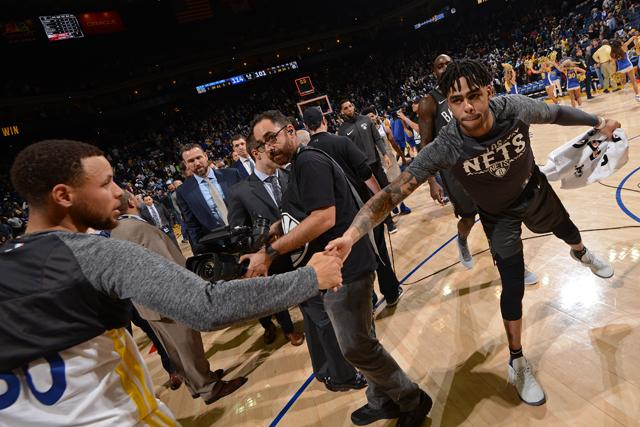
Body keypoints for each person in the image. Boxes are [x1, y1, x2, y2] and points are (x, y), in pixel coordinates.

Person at [327, 60, 618, 407]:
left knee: (568, 229)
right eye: (457, 100)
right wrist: (352, 234)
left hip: (534, 190)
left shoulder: (514, 108)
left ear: (489, 92)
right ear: (449, 104)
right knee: (512, 286)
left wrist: (598, 121)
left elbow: (556, 112)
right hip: (497, 215)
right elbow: (392, 194)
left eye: (474, 96)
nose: (467, 106)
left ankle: (581, 252)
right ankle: (517, 360)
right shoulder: (447, 144)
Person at [0, 139, 343, 426]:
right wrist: (310, 277)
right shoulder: (95, 254)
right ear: (63, 196)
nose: (119, 193)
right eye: (106, 184)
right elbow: (207, 306)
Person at [245, 111, 431, 426]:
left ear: (290, 130)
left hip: (346, 268)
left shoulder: (308, 162)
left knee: (356, 348)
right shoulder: (298, 166)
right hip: (336, 267)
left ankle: (413, 399)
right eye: (262, 144)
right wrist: (275, 229)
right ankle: (382, 400)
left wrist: (270, 253)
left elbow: (323, 218)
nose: (269, 147)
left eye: (272, 137)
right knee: (363, 340)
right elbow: (302, 215)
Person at [112, 190, 247, 404]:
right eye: (135, 197)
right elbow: (167, 264)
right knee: (187, 345)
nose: (139, 198)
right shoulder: (136, 228)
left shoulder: (117, 230)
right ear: (130, 201)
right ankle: (209, 388)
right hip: (168, 298)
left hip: (147, 303)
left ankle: (195, 384)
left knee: (174, 349)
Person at [303, 106, 404, 307]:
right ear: (324, 121)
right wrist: (381, 199)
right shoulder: (341, 141)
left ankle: (369, 300)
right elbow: (365, 173)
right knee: (379, 251)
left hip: (334, 219)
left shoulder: (306, 155)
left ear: (306, 127)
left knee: (352, 262)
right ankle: (391, 292)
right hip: (361, 209)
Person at [226, 139, 305, 347]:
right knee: (277, 296)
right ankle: (288, 329)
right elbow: (238, 236)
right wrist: (262, 239)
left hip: (303, 247)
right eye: (269, 147)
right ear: (256, 153)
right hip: (271, 255)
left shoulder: (291, 174)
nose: (275, 149)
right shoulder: (239, 191)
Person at [338, 100, 412, 220]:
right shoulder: (342, 130)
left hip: (381, 159)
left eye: (350, 106)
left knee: (391, 184)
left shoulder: (370, 122)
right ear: (342, 111)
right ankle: (388, 216)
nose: (349, 109)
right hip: (364, 166)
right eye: (346, 108)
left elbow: (383, 140)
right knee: (377, 192)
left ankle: (400, 205)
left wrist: (389, 155)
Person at [176, 144, 242, 248]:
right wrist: (199, 249)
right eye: (191, 161)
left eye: (199, 157)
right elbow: (192, 225)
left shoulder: (232, 174)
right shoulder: (183, 191)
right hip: (217, 245)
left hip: (245, 234)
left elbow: (247, 204)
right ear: (186, 164)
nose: (197, 163)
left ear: (206, 156)